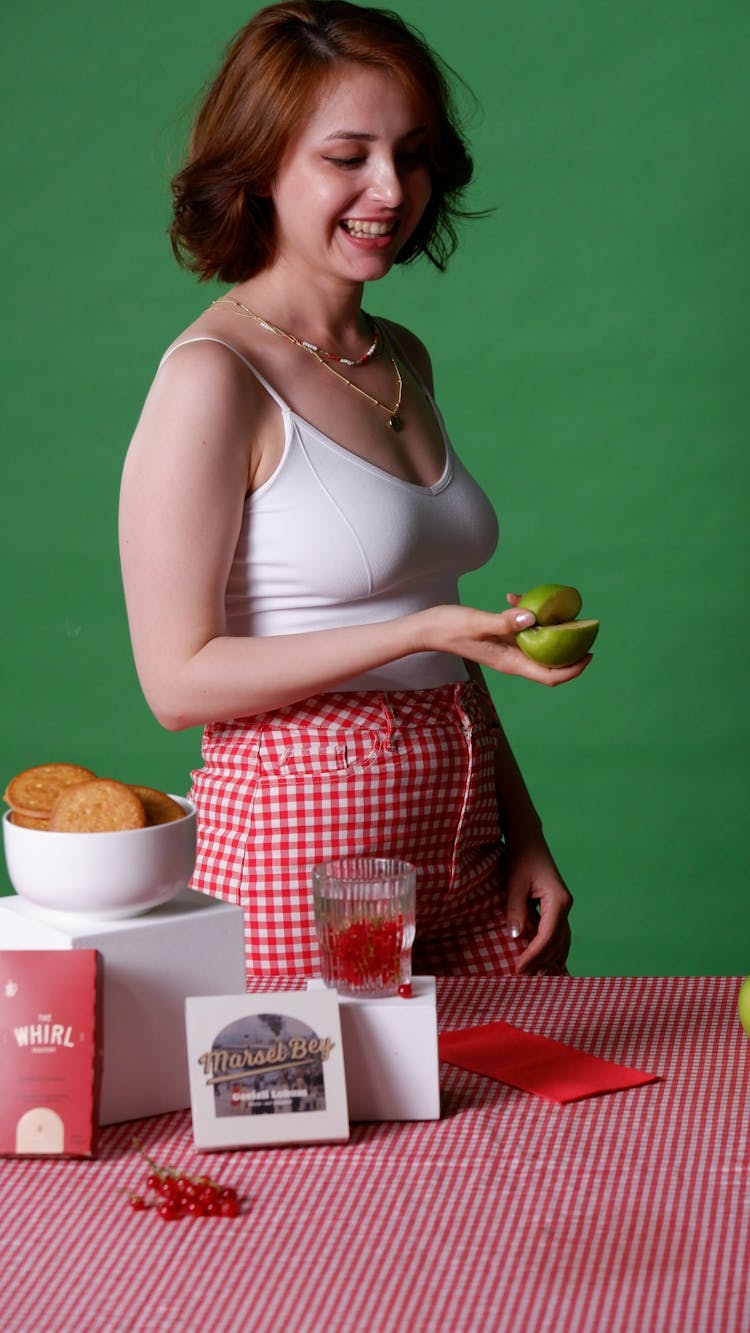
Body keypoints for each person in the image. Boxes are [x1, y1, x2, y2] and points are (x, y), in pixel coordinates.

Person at [119, 0, 590, 984]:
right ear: (262, 166)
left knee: (501, 1124)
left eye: (412, 154)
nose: (391, 189)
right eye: (348, 156)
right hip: (302, 862)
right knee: (332, 1136)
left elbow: (448, 631)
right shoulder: (213, 377)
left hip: (464, 844)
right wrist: (417, 632)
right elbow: (176, 682)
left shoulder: (400, 356)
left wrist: (526, 830)